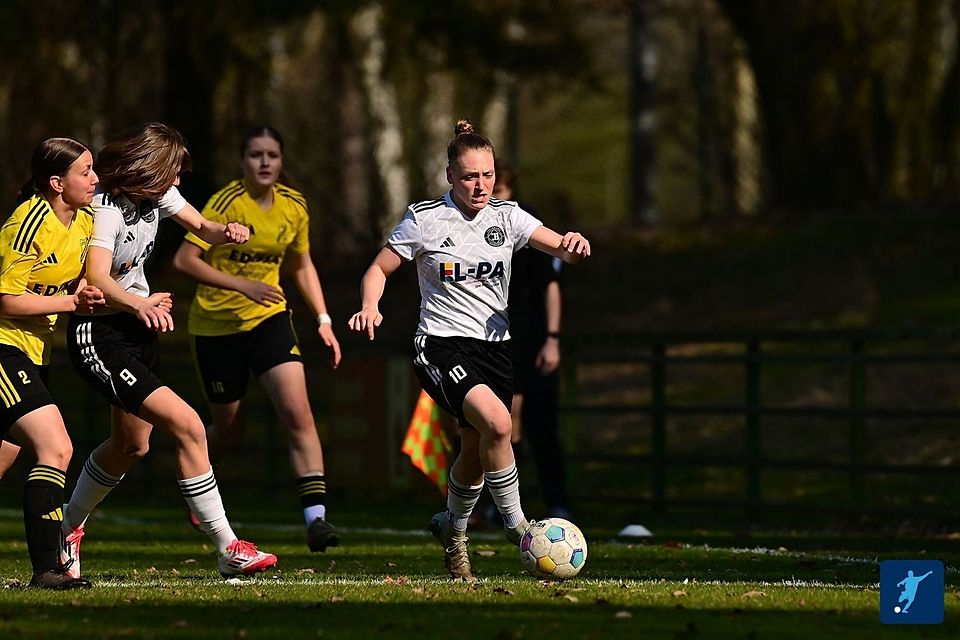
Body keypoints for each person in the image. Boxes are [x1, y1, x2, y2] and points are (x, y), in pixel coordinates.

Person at [348, 119, 590, 580]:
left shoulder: (509, 216)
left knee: (476, 448)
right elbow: (378, 268)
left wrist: (573, 246)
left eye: (487, 175)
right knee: (499, 423)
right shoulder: (425, 219)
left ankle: (453, 531)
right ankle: (519, 527)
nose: (480, 185)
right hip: (439, 346)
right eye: (469, 176)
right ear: (449, 176)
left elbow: (559, 246)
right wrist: (369, 305)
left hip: (495, 350)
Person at [60, 122, 277, 580]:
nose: (178, 180)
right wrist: (140, 303)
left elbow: (202, 227)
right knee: (189, 424)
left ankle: (66, 528)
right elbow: (97, 278)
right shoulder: (106, 210)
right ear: (152, 168)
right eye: (173, 171)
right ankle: (228, 547)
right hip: (99, 333)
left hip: (137, 327)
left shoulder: (158, 196)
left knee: (131, 446)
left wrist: (226, 231)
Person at [172, 125, 342, 552]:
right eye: (255, 154)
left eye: (272, 155)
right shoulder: (226, 202)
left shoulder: (293, 206)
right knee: (229, 431)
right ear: (242, 161)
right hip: (216, 326)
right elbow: (185, 260)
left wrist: (323, 319)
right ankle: (194, 476)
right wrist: (241, 285)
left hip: (269, 319)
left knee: (298, 412)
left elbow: (301, 265)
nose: (264, 162)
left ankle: (317, 520)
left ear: (281, 161)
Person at [0, 137, 105, 589]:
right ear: (57, 183)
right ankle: (48, 569)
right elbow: (6, 300)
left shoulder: (85, 221)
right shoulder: (28, 222)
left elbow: (81, 278)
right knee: (57, 447)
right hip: (4, 349)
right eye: (86, 171)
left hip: (35, 352)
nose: (95, 179)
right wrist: (70, 302)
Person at [472, 161, 571, 526]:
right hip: (492, 340)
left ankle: (556, 501)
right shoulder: (469, 226)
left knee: (540, 425)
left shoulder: (526, 225)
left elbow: (550, 286)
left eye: (496, 188)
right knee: (497, 424)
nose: (487, 194)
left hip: (531, 340)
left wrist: (552, 339)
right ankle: (496, 506)